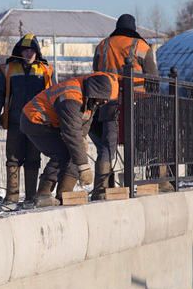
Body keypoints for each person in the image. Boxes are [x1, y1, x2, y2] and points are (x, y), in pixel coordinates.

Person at [20, 72, 120, 207]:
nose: (103, 102)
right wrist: (84, 167)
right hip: (34, 120)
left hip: (53, 123)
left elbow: (86, 119)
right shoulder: (70, 98)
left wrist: (83, 137)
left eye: (105, 100)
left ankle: (64, 195)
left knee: (77, 152)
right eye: (101, 99)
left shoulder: (92, 96)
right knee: (62, 154)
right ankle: (43, 194)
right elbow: (72, 133)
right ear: (93, 92)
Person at [89, 13, 158, 199]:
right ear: (133, 28)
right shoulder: (141, 46)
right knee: (147, 141)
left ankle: (100, 189)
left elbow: (96, 71)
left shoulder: (103, 45)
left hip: (109, 101)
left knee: (108, 144)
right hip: (138, 103)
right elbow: (152, 77)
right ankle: (156, 181)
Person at [0, 34, 54, 203]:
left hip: (36, 123)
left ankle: (31, 196)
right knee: (13, 158)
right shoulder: (8, 69)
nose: (28, 53)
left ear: (37, 52)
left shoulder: (45, 71)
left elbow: (52, 97)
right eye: (25, 50)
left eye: (32, 50)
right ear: (19, 51)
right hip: (15, 121)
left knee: (33, 159)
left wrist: (54, 121)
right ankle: (12, 196)